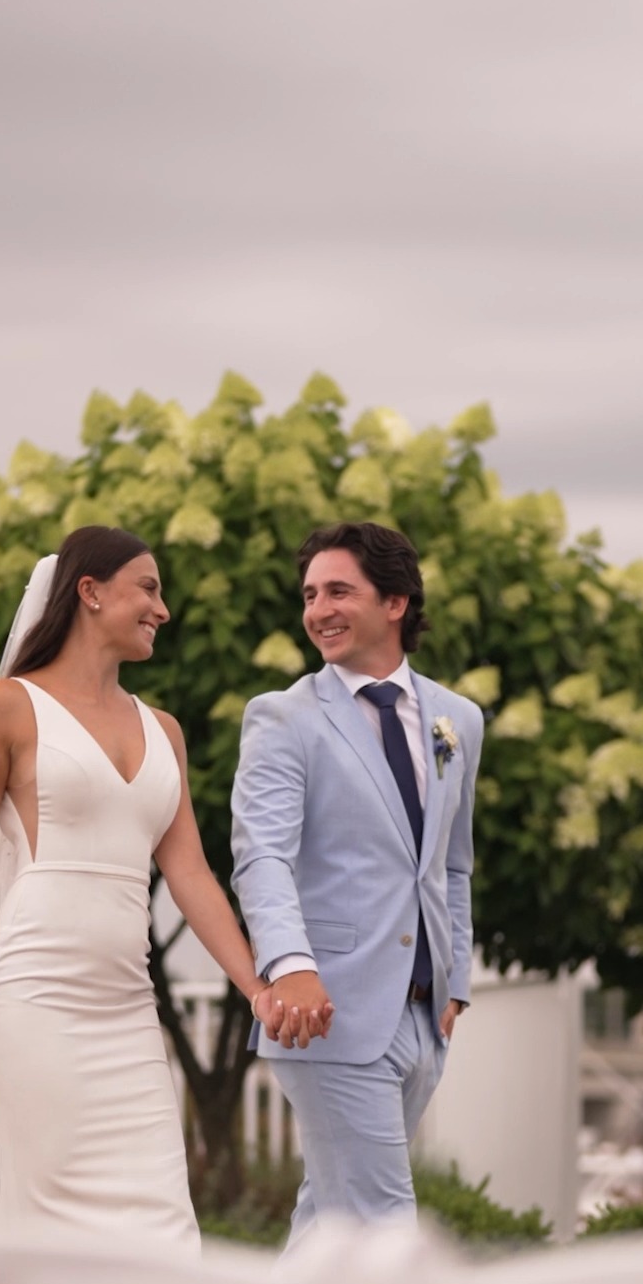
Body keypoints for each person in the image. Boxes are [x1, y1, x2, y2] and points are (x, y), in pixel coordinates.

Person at [0, 526, 293, 1245]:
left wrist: (258, 987)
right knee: (50, 1219)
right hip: (34, 993)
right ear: (89, 591)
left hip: (126, 1008)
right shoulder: (7, 707)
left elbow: (190, 875)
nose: (164, 608)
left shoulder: (165, 732)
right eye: (148, 588)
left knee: (162, 1222)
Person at [231, 519, 483, 1246]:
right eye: (310, 595)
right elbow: (261, 855)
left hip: (420, 1019)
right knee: (382, 1231)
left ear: (396, 600)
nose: (318, 610)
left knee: (331, 1225)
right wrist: (291, 967)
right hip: (326, 1012)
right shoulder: (283, 718)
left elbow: (451, 864)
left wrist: (454, 978)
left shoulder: (457, 720)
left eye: (338, 590)